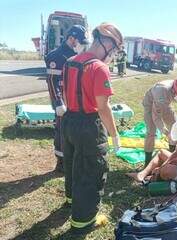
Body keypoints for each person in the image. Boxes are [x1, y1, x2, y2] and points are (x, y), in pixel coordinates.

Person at [61, 22, 123, 234]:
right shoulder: (99, 68)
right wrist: (115, 135)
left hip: (68, 121)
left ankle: (71, 199)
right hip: (89, 125)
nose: (113, 54)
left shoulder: (69, 62)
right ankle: (84, 220)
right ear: (105, 42)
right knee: (90, 169)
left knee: (72, 162)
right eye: (114, 49)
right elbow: (103, 108)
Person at [45, 25, 89, 172]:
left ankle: (72, 159)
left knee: (74, 131)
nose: (80, 45)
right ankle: (62, 162)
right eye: (79, 41)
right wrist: (58, 102)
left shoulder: (77, 55)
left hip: (76, 100)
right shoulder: (56, 56)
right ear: (71, 38)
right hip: (63, 101)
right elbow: (52, 81)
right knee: (61, 131)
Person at [127, 108, 177, 185]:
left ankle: (154, 178)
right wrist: (162, 166)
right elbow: (176, 152)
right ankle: (141, 175)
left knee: (167, 169)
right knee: (161, 152)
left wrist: (161, 169)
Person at [143, 76, 177, 167]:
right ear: (175, 90)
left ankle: (171, 155)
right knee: (151, 132)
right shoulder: (161, 92)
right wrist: (165, 132)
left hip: (166, 102)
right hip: (151, 104)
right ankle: (147, 162)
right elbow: (156, 117)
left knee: (174, 127)